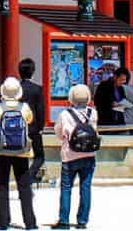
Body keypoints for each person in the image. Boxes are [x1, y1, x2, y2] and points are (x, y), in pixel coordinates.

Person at [0, 76, 39, 230]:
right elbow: (30, 120)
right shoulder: (24, 107)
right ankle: (30, 222)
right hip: (21, 151)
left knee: (2, 185)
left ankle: (3, 222)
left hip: (1, 150)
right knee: (24, 186)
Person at [53, 82, 98, 229]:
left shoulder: (64, 114)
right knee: (86, 187)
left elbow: (59, 134)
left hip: (69, 155)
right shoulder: (93, 113)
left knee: (66, 187)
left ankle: (64, 220)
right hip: (89, 154)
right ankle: (82, 220)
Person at [19, 58, 49, 184]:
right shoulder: (37, 89)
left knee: (21, 155)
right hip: (34, 127)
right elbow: (40, 109)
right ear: (33, 71)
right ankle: (30, 175)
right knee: (39, 156)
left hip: (19, 126)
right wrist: (41, 126)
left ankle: (25, 176)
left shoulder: (17, 89)